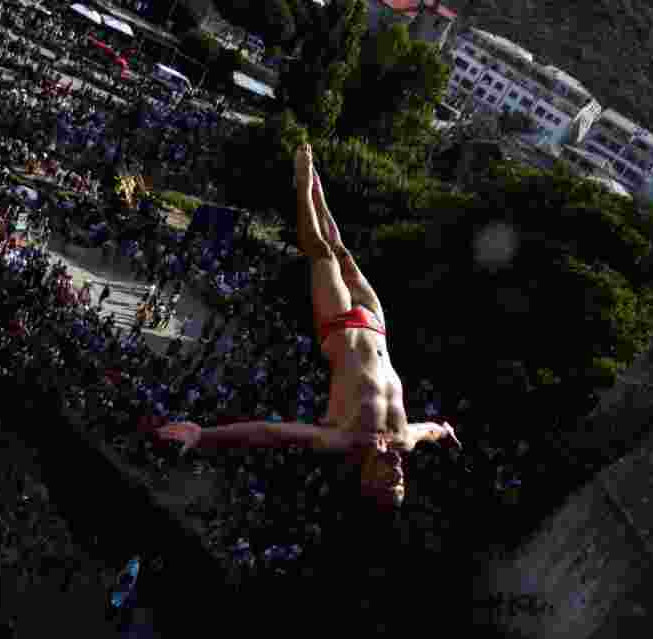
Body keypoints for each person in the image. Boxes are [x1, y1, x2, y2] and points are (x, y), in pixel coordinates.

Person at [157, 144, 461, 509]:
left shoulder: (343, 439)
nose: (398, 477)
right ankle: (316, 190)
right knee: (341, 251)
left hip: (340, 326)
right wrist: (445, 431)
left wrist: (205, 435)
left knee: (321, 251)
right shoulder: (403, 439)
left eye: (389, 485)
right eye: (401, 484)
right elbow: (429, 429)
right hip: (376, 324)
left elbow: (271, 432)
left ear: (366, 479)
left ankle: (302, 182)